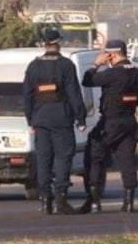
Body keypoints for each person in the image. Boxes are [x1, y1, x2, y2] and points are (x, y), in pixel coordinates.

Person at [23, 28, 86, 215]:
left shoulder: (33, 66)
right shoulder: (66, 65)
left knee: (43, 160)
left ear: (44, 43)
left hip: (40, 120)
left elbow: (27, 95)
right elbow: (74, 93)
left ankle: (45, 201)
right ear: (58, 42)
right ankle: (61, 199)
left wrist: (30, 120)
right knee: (64, 158)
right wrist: (81, 117)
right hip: (62, 119)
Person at [80, 39, 138, 213]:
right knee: (127, 160)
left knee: (94, 154)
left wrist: (96, 64)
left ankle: (94, 202)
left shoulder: (113, 74)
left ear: (112, 54)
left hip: (110, 122)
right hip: (129, 122)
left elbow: (87, 80)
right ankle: (129, 202)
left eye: (105, 54)